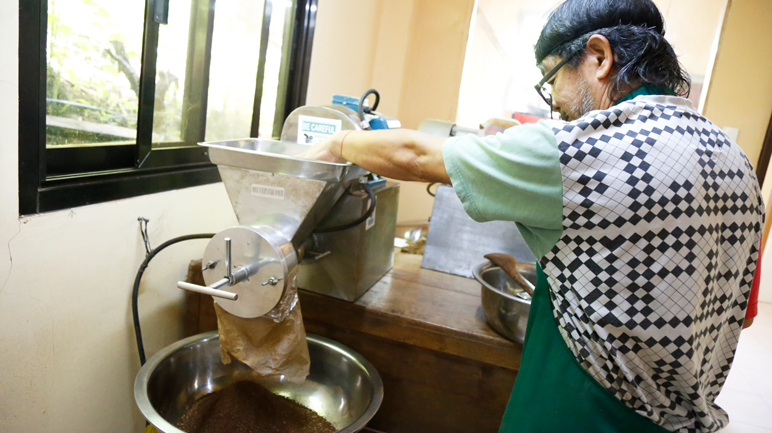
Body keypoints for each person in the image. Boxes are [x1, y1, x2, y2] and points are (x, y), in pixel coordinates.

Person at [299, 0, 764, 431]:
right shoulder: (735, 160)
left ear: (598, 57)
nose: (555, 103)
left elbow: (415, 154)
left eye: (552, 78)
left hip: (584, 414)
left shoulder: (586, 150)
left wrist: (335, 143)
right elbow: (738, 313)